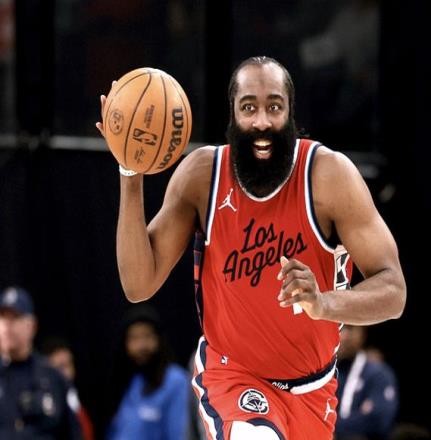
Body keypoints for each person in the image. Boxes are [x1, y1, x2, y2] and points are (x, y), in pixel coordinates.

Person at [96, 55, 406, 439]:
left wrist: (323, 303)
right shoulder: (202, 177)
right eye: (248, 108)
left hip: (314, 391)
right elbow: (138, 284)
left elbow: (394, 291)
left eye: (274, 107)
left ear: (290, 113)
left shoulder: (329, 177)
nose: (261, 121)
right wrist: (130, 171)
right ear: (232, 113)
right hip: (232, 376)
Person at [0, 286, 83, 439]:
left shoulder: (54, 377)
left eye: (15, 317)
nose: (7, 325)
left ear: (32, 326)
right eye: (3, 317)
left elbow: (75, 432)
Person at [106, 304, 191, 440]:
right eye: (134, 338)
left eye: (147, 336)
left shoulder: (176, 381)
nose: (141, 346)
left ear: (159, 339)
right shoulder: (129, 380)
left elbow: (180, 435)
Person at [335, 325, 399, 440]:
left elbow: (379, 419)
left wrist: (333, 427)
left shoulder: (378, 373)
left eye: (350, 328)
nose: (344, 335)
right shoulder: (327, 374)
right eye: (340, 328)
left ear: (363, 333)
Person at [41, 337, 95, 440]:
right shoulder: (42, 408)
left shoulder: (74, 401)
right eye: (60, 367)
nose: (68, 373)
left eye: (69, 364)